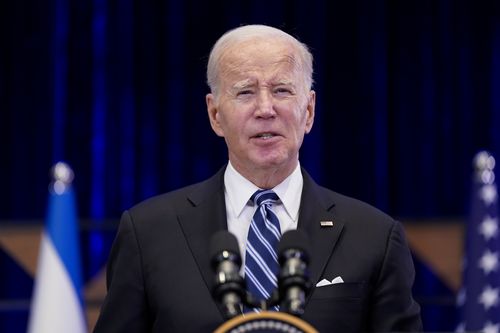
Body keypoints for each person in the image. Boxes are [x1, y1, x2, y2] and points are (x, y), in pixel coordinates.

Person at [94, 24, 422, 332]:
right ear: (215, 114)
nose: (265, 108)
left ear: (308, 111)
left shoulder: (374, 236)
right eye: (245, 93)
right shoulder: (148, 232)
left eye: (281, 90)